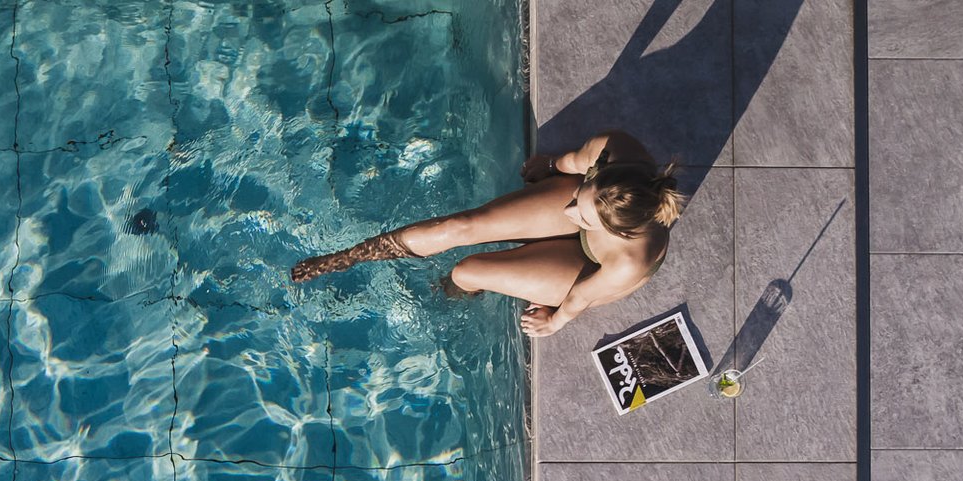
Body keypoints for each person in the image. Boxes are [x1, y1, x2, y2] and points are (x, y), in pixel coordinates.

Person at [291, 130, 685, 337]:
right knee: (459, 227)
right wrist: (549, 165)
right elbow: (568, 164)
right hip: (599, 211)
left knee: (468, 271)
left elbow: (582, 296)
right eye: (577, 197)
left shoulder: (629, 262)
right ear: (597, 174)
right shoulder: (611, 147)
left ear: (615, 229)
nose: (568, 212)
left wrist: (555, 322)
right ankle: (346, 258)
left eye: (578, 216)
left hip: (587, 269)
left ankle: (446, 291)